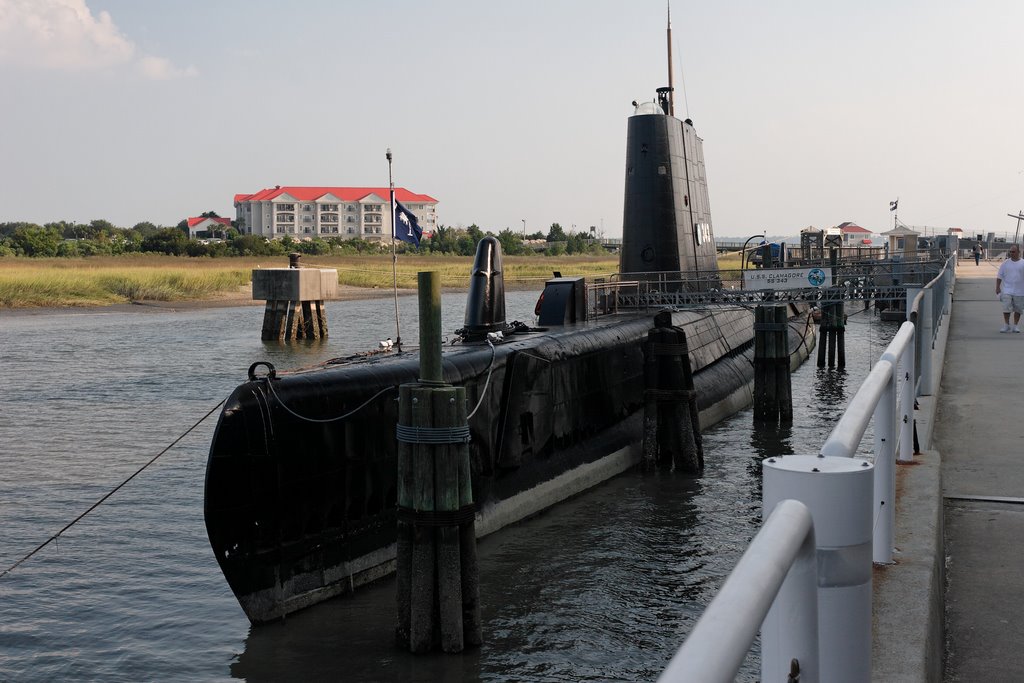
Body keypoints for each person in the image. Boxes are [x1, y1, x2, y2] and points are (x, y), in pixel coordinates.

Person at [996, 243, 1024, 332]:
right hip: (1007, 290)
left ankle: (1015, 326)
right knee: (1006, 308)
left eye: (1013, 252)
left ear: (1019, 252)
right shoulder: (1005, 264)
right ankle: (1006, 325)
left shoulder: (1023, 263)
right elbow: (999, 276)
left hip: (1020, 291)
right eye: (1010, 252)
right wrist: (997, 287)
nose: (1011, 253)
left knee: (1018, 309)